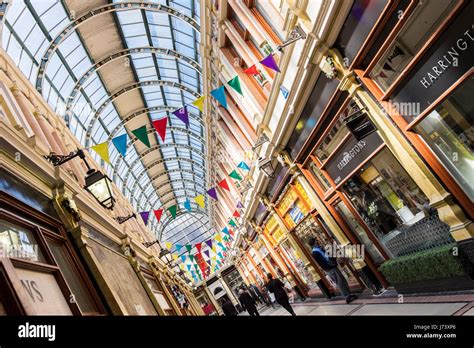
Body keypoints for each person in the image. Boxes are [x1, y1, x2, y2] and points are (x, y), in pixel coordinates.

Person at [308, 237, 357, 304]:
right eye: (316, 241)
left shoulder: (319, 248)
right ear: (314, 243)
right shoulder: (315, 253)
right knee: (340, 282)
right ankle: (347, 296)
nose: (317, 241)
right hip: (330, 269)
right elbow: (321, 263)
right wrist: (330, 266)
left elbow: (327, 256)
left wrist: (333, 259)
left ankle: (349, 294)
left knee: (342, 280)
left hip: (332, 266)